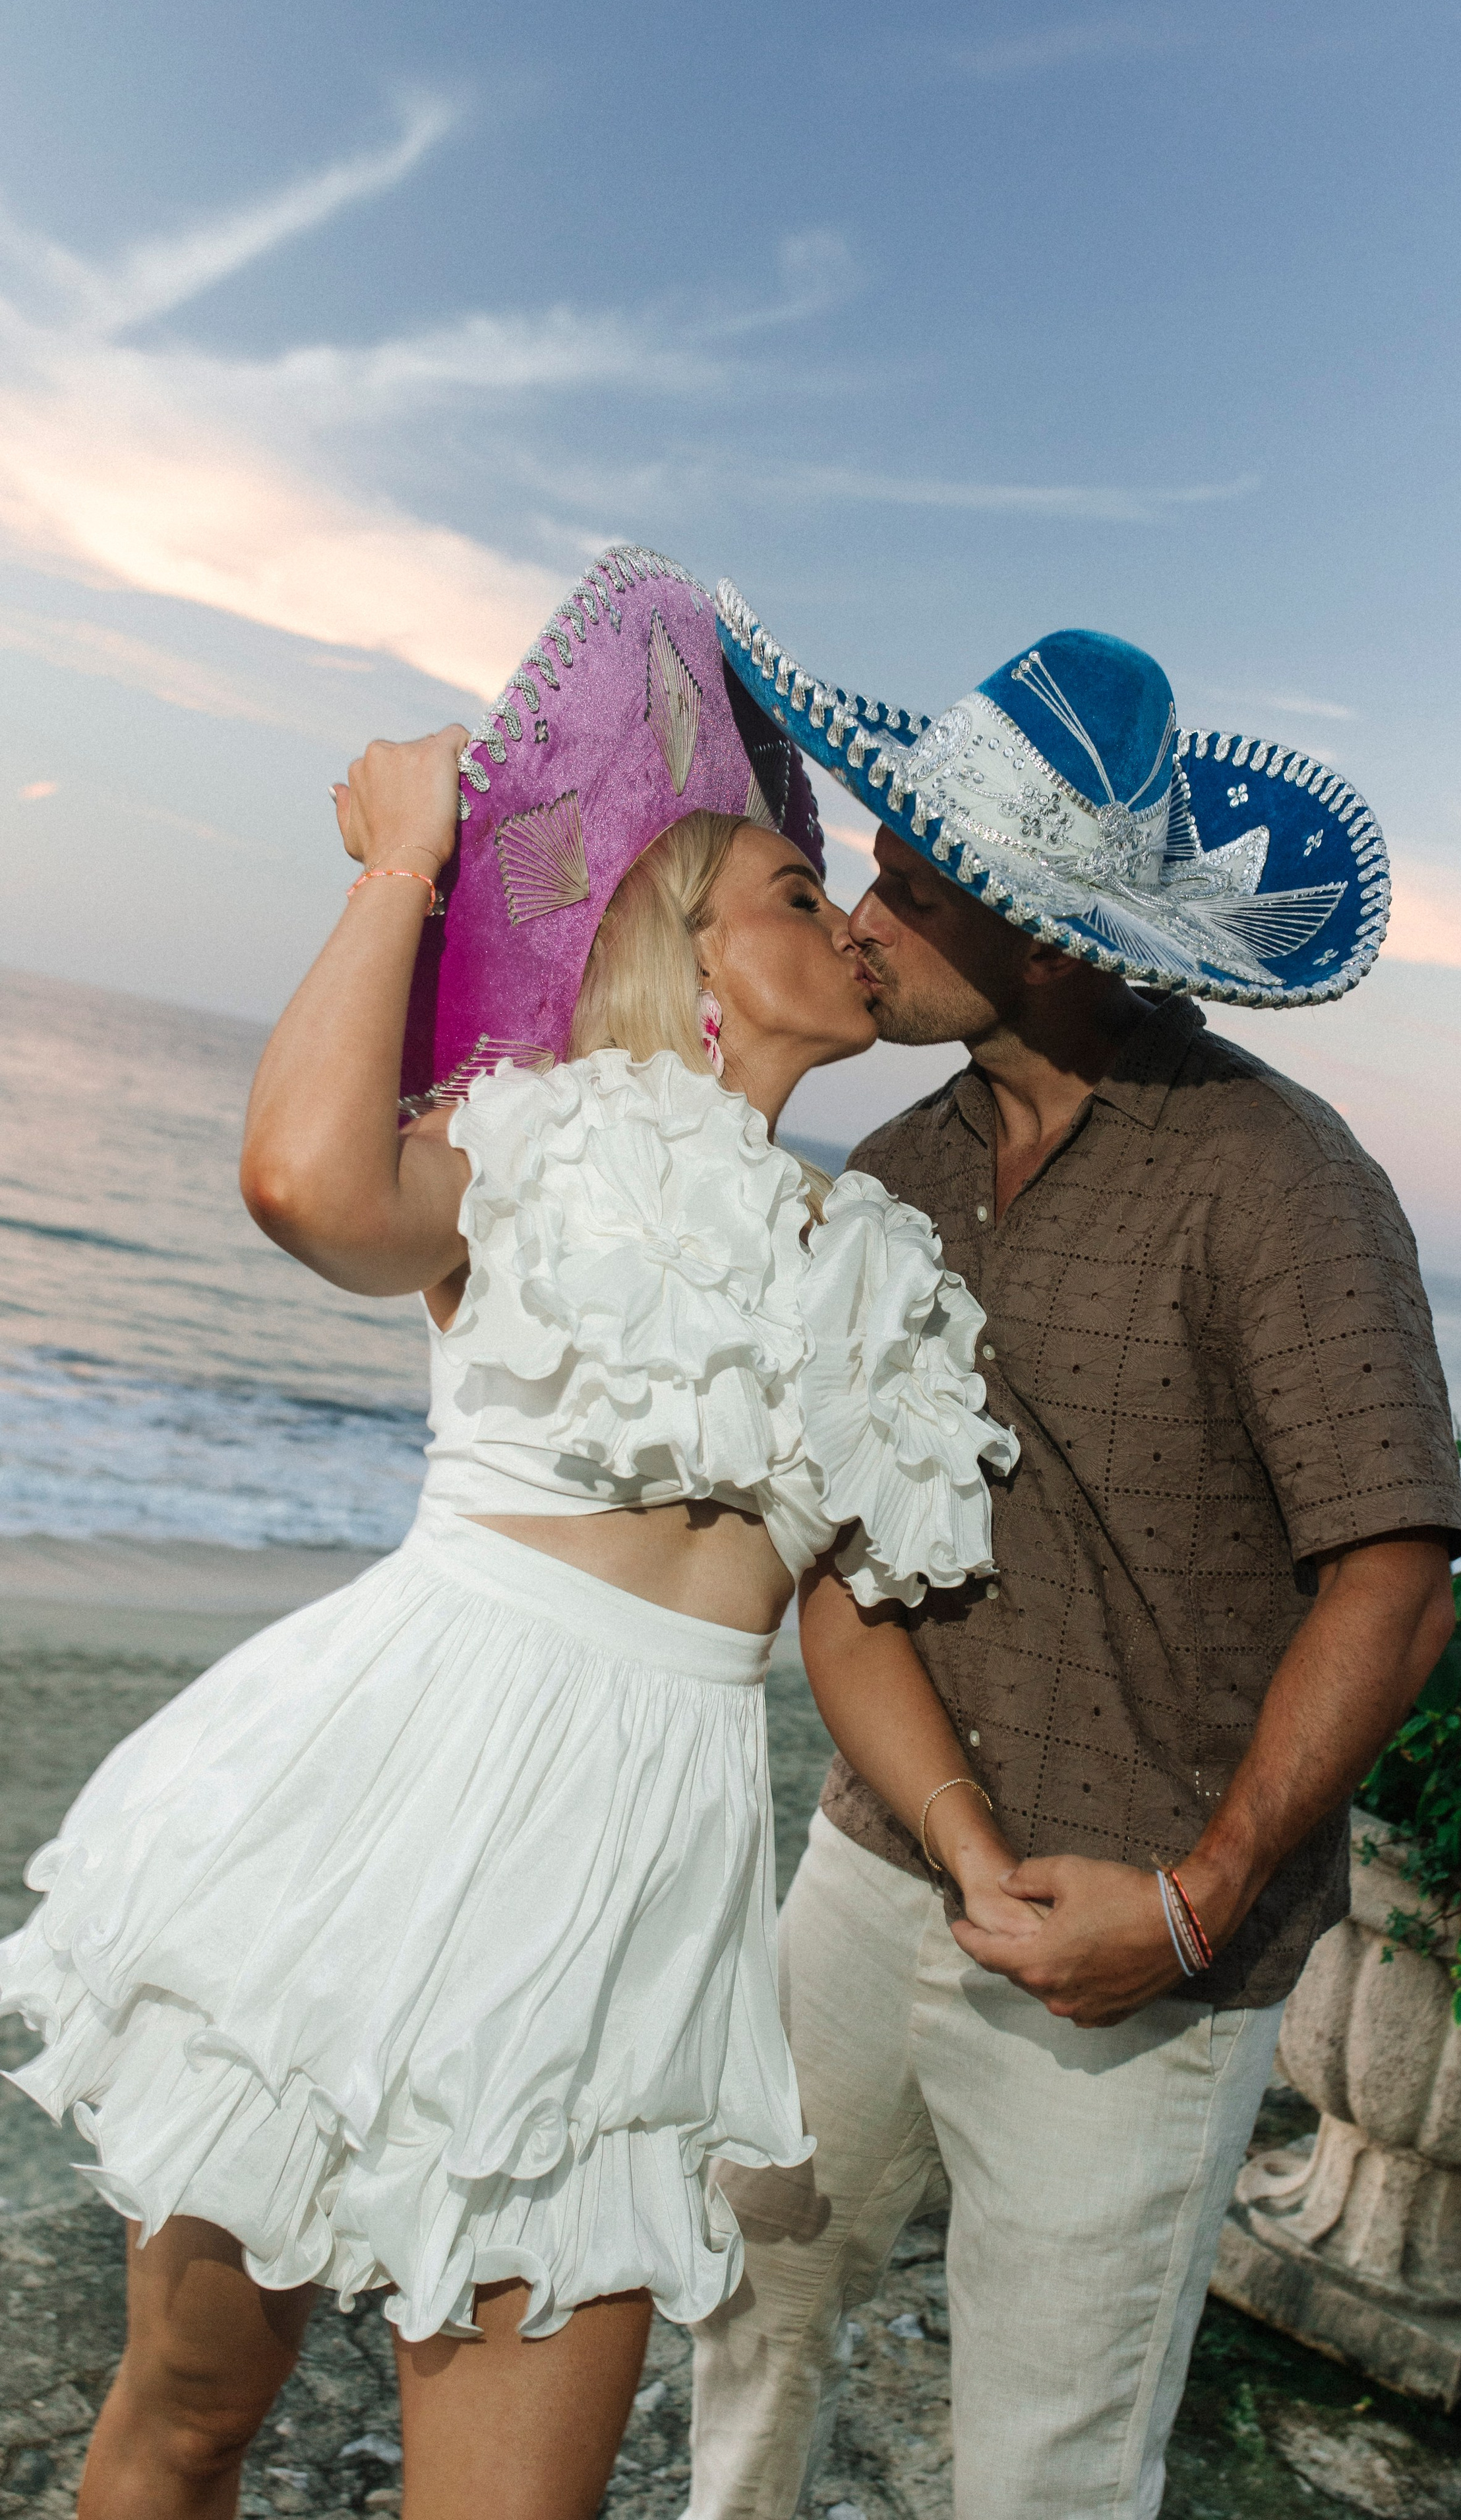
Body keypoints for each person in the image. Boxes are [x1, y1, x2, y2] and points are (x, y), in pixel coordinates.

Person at [0, 550, 1033, 2520]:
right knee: (190, 2420)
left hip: (635, 1897)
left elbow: (854, 1622)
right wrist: (399, 860)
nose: (847, 921)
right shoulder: (546, 1140)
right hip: (373, 1817)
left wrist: (976, 1854)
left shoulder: (883, 1265)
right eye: (797, 892)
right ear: (692, 947)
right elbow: (304, 1182)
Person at [688, 589, 1461, 2520]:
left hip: (1148, 1964)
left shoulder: (1282, 1182)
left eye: (913, 888)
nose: (862, 918)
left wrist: (1198, 1903)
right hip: (874, 1881)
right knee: (751, 2298)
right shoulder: (894, 1176)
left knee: (1043, 2470)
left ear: (1046, 939)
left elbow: (1399, 1578)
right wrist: (948, 1831)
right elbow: (846, 1571)